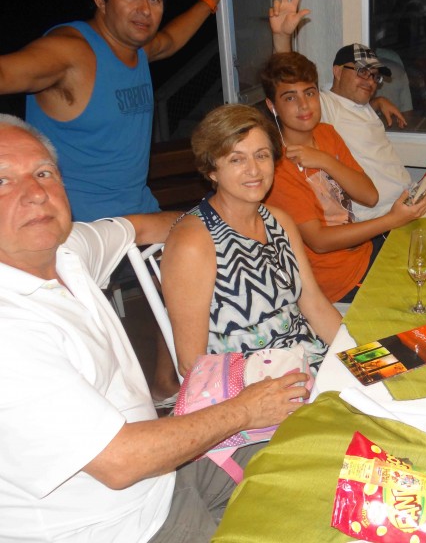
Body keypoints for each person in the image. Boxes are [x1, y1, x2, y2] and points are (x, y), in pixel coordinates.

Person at [0, 114, 309, 542]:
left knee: (311, 456)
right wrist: (244, 410)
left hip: (164, 473)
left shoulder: (68, 250)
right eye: (3, 181)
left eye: (43, 172)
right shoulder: (11, 331)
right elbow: (120, 462)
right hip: (119, 526)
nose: (35, 193)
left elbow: (134, 227)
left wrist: (219, 221)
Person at [0, 0, 231, 221]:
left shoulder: (137, 49)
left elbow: (170, 40)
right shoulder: (69, 52)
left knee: (222, 231)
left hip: (140, 214)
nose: (144, 10)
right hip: (82, 230)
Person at [160, 104, 342, 377]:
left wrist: (359, 355)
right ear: (212, 170)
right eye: (237, 159)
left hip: (307, 360)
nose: (254, 170)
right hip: (251, 384)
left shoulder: (279, 221)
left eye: (261, 155)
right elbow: (192, 364)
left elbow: (314, 304)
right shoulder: (194, 243)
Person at [261, 52, 426, 303]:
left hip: (363, 252)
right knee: (424, 295)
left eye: (309, 93)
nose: (304, 105)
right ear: (272, 106)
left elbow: (369, 196)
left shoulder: (326, 133)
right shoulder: (277, 166)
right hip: (337, 279)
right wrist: (392, 220)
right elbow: (318, 241)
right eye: (290, 97)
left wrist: (325, 160)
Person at [268, 0, 415, 222]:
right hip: (381, 217)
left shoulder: (361, 106)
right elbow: (288, 80)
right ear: (337, 71)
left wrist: (377, 103)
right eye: (361, 71)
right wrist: (282, 37)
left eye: (374, 76)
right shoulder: (324, 105)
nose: (370, 81)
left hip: (407, 200)